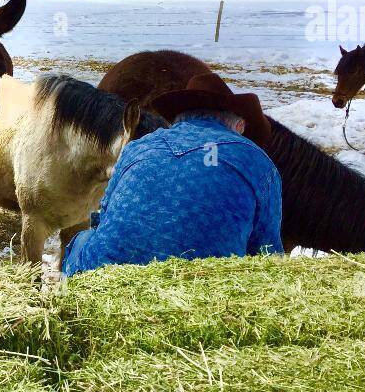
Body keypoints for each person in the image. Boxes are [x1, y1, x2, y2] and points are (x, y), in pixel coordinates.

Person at [61, 72, 283, 275]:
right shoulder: (257, 161)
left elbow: (103, 217)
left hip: (111, 277)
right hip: (208, 288)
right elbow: (267, 253)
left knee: (81, 240)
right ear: (239, 126)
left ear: (178, 118)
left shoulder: (138, 147)